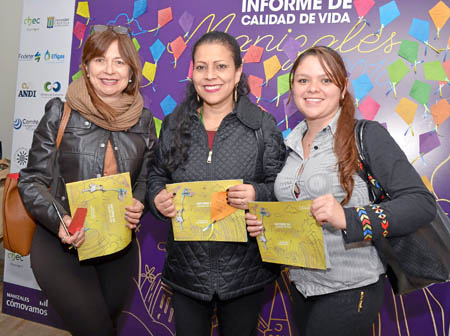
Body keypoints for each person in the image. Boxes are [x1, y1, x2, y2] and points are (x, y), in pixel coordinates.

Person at [246, 46, 437, 336]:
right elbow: (297, 213)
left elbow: (421, 204)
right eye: (303, 80)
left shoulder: (367, 135)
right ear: (292, 87)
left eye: (326, 80)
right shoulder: (289, 146)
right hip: (301, 287)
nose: (313, 89)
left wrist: (348, 218)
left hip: (352, 287)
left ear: (343, 87)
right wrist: (269, 226)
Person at [18, 25, 157, 336]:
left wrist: (139, 202)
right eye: (100, 60)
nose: (109, 70)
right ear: (86, 67)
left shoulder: (144, 120)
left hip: (117, 246)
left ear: (132, 72)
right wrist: (60, 220)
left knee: (105, 326)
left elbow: (147, 178)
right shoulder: (59, 111)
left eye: (120, 62)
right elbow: (31, 181)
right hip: (60, 244)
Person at [146, 31, 286, 336]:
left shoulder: (262, 126)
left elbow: (282, 189)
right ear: (192, 72)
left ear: (237, 73)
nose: (210, 76)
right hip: (187, 272)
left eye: (221, 67)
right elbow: (156, 175)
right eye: (201, 67)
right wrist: (157, 198)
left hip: (244, 274)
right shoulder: (173, 123)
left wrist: (256, 194)